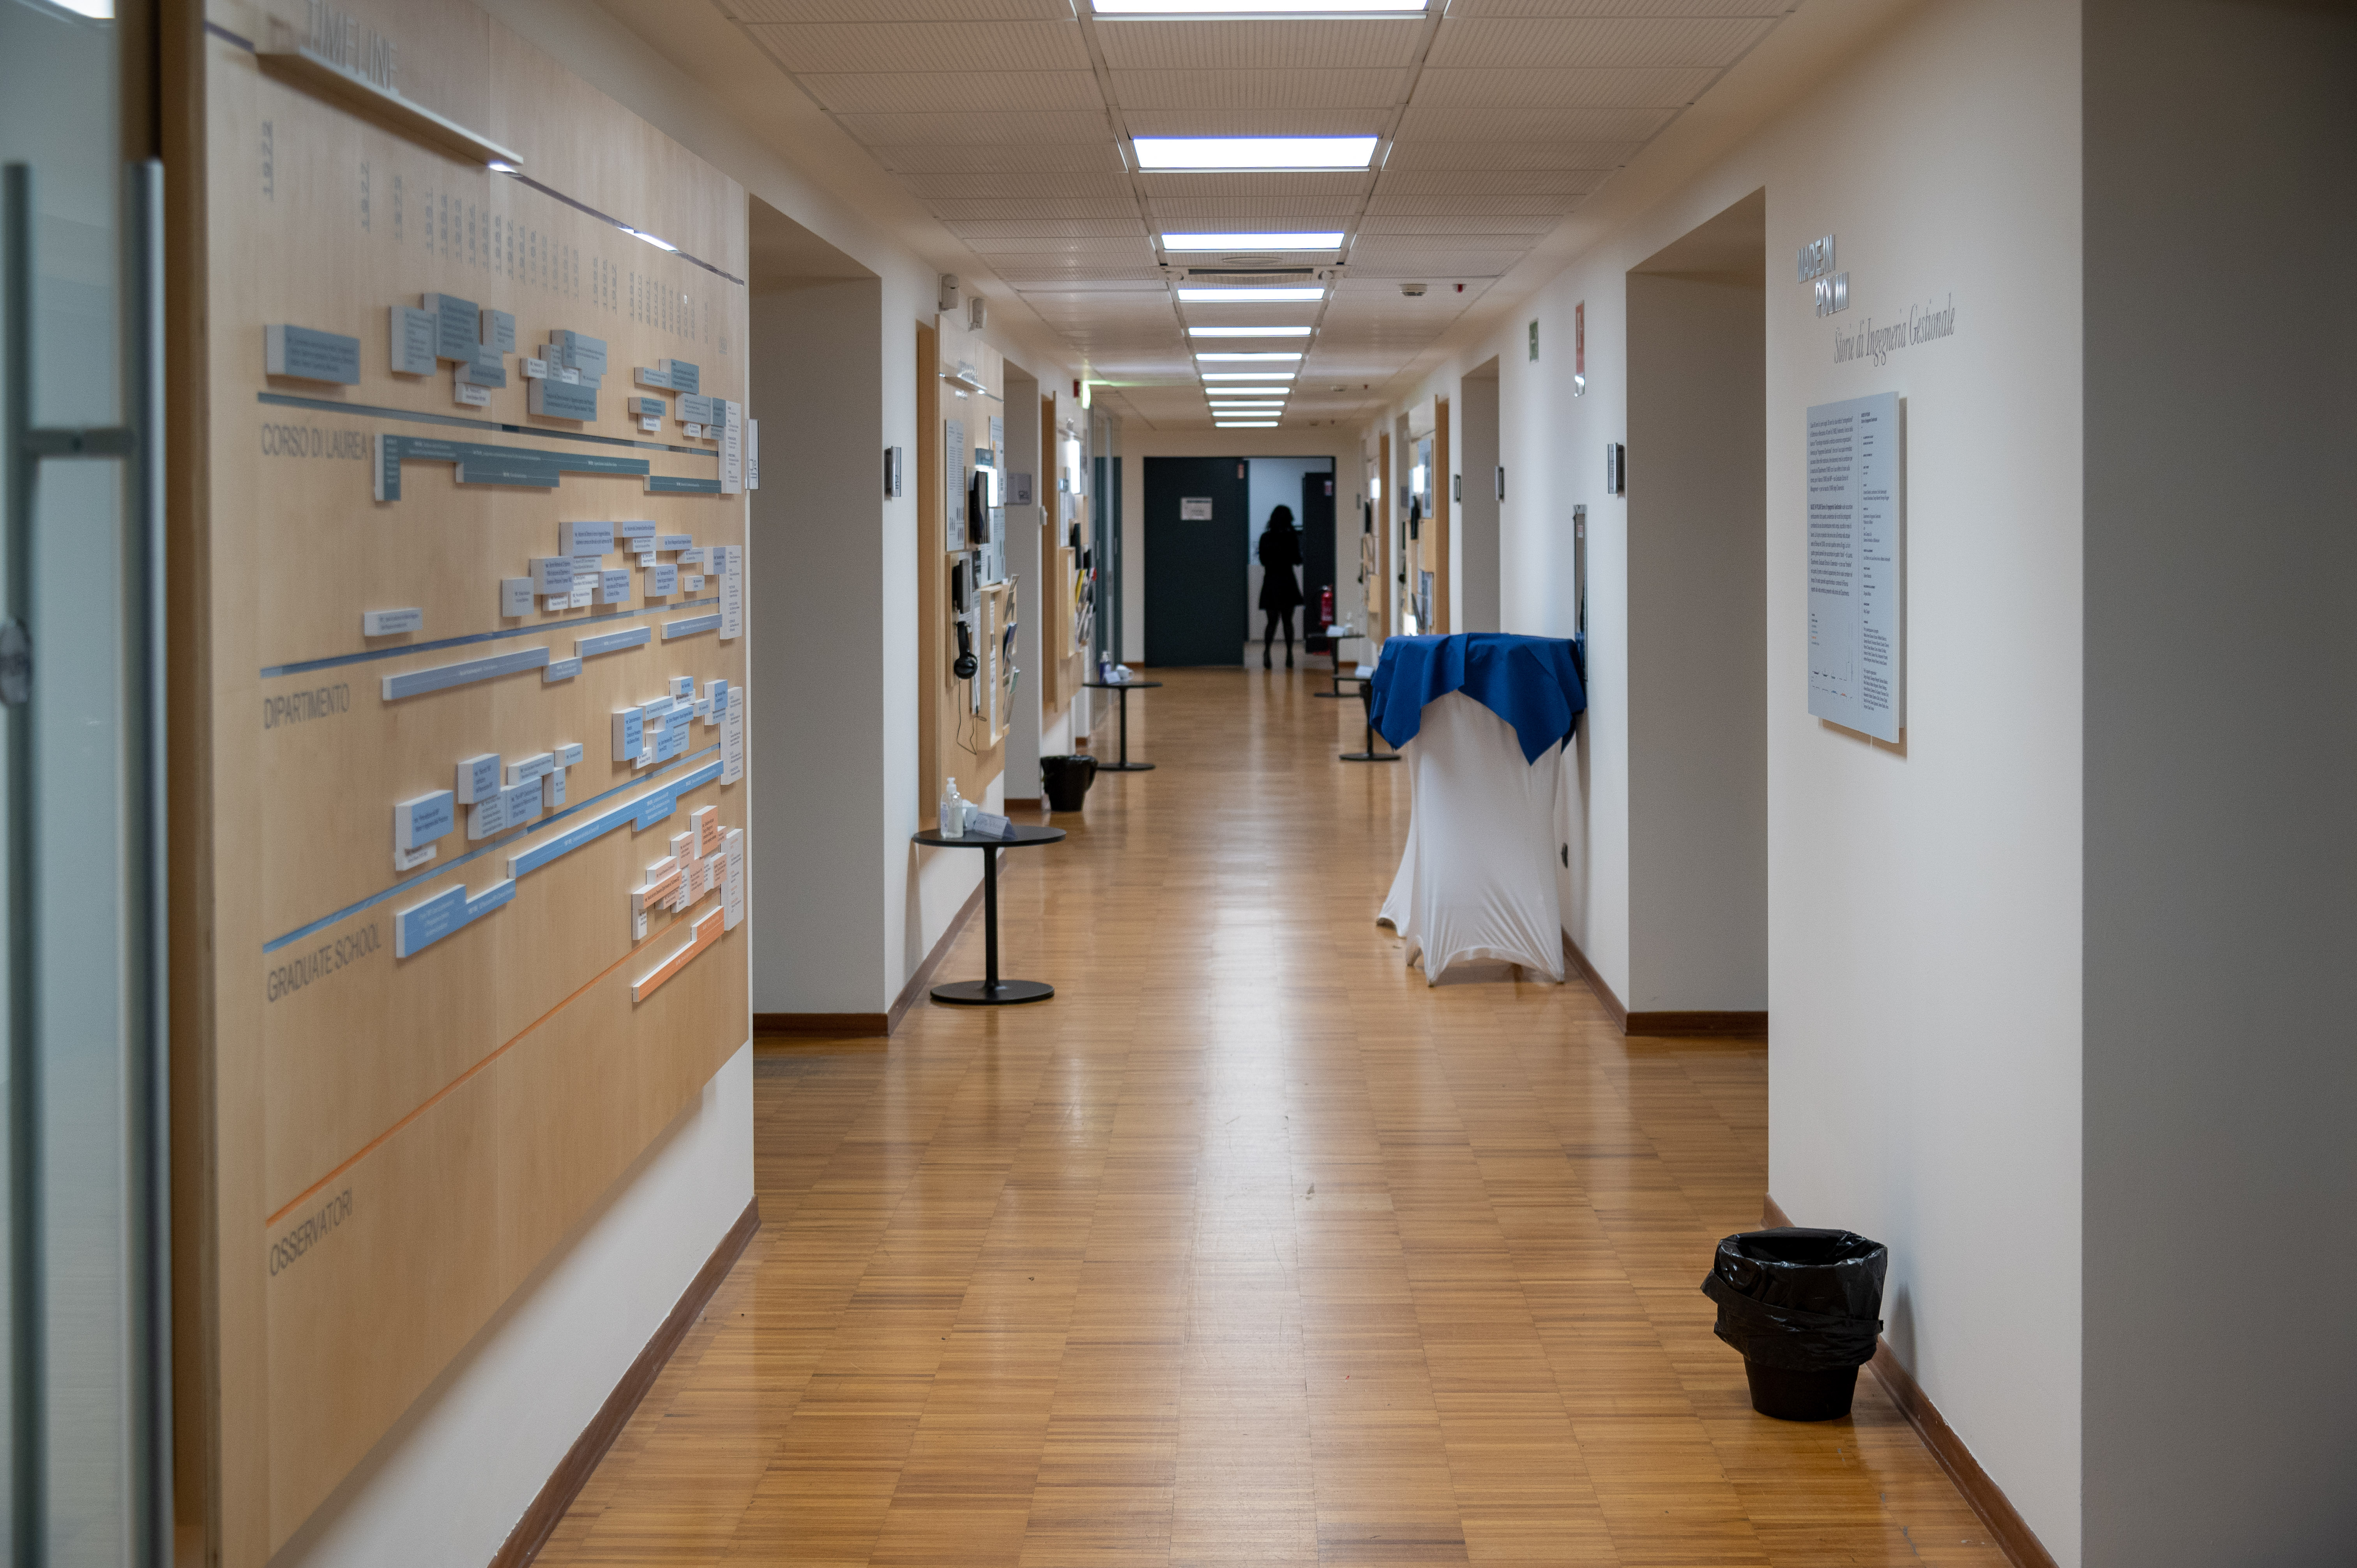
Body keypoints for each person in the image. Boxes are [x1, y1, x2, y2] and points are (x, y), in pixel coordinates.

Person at [1256, 505, 1304, 669]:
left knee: (1271, 622)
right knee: (1287, 622)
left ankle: (1267, 652)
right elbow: (1298, 560)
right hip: (1287, 582)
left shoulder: (1265, 538)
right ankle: (1289, 654)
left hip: (1271, 582)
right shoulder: (1291, 538)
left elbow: (1263, 561)